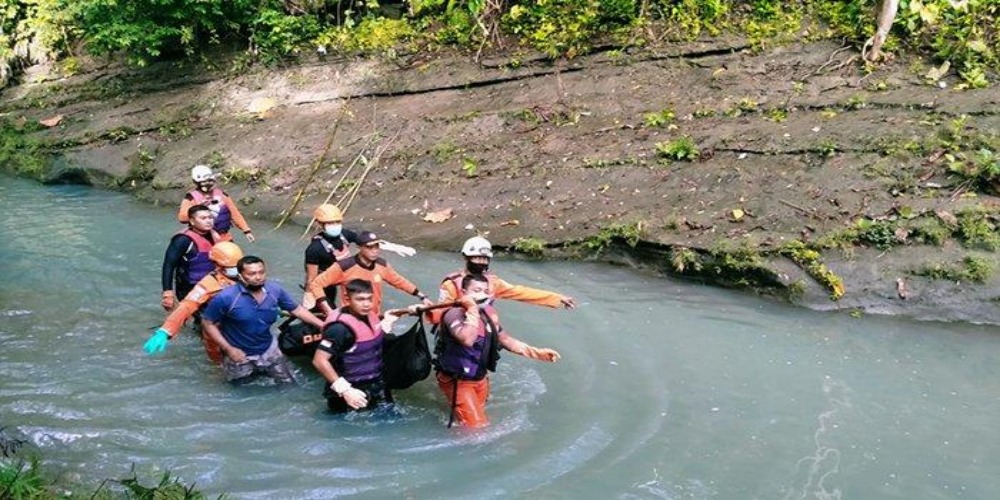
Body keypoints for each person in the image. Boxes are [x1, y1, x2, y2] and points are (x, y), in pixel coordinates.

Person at [435, 274, 561, 428]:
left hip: (480, 378)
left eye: (486, 291)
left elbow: (506, 340)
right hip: (458, 380)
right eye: (477, 290)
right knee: (476, 428)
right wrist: (472, 308)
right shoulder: (453, 314)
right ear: (464, 293)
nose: (482, 294)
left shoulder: (488, 314)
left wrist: (536, 353)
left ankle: (458, 415)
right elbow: (467, 339)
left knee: (473, 418)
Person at [201, 255, 325, 384]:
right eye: (252, 273)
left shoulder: (274, 290)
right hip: (239, 353)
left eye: (261, 272)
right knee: (242, 390)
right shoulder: (226, 298)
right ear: (240, 276)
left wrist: (322, 325)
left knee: (289, 383)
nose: (258, 277)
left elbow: (296, 309)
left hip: (269, 348)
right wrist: (228, 349)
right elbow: (208, 323)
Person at [312, 279, 419, 413]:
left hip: (376, 385)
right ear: (347, 298)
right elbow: (319, 361)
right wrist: (345, 390)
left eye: (369, 299)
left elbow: (371, 340)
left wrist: (388, 321)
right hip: (350, 391)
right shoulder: (338, 328)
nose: (367, 304)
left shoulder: (371, 316)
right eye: (360, 299)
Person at [428, 236, 576, 324]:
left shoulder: (493, 282)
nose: (480, 262)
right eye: (476, 258)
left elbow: (520, 292)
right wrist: (427, 313)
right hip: (457, 332)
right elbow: (441, 313)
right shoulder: (451, 284)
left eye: (484, 259)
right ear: (466, 257)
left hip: (482, 331)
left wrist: (557, 298)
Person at [143, 241, 244, 364]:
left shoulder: (248, 275)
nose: (237, 270)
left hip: (242, 326)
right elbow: (187, 306)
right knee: (219, 364)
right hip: (218, 329)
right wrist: (166, 331)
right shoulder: (208, 285)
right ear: (218, 266)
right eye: (232, 268)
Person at [303, 203, 416, 308]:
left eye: (337, 222)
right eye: (330, 223)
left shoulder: (344, 235)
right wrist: (309, 294)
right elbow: (311, 278)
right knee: (325, 308)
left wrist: (390, 246)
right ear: (320, 224)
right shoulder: (314, 249)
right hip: (325, 283)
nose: (335, 225)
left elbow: (365, 242)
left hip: (344, 276)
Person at [307, 230, 431, 318]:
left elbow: (399, 281)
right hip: (351, 319)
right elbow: (316, 284)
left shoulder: (382, 265)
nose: (374, 250)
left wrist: (422, 296)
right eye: (369, 247)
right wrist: (328, 310)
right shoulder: (344, 266)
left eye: (377, 246)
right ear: (360, 248)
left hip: (373, 317)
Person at [161, 204, 218, 311]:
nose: (208, 221)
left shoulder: (215, 236)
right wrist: (167, 293)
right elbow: (168, 265)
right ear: (192, 221)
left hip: (211, 285)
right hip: (189, 288)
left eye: (210, 217)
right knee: (204, 319)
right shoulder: (182, 240)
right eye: (203, 218)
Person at [177, 165, 255, 243]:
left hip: (224, 237)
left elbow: (235, 214)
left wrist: (246, 230)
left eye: (210, 181)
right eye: (204, 182)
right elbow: (182, 218)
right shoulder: (191, 198)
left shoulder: (222, 195)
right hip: (202, 239)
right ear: (196, 183)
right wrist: (198, 208)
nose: (208, 184)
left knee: (234, 254)